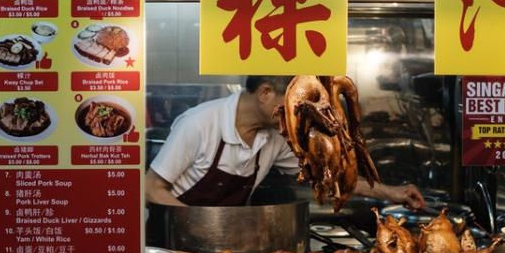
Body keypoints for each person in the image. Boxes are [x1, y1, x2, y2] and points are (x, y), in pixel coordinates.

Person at [146, 75, 425, 209]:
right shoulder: (199, 124)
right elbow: (150, 189)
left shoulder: (275, 138)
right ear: (266, 92)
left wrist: (392, 193)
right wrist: (203, 225)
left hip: (223, 246)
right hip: (175, 247)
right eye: (293, 103)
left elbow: (329, 182)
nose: (297, 113)